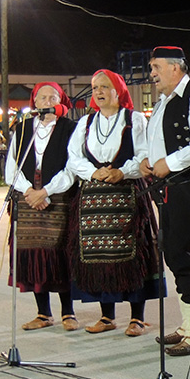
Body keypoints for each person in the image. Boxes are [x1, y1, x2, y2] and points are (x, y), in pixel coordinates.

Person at [140, 46, 190, 356]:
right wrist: (149, 160)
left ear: (177, 68)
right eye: (151, 67)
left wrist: (169, 163)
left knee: (183, 252)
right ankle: (188, 326)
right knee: (172, 251)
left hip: (189, 183)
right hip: (169, 184)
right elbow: (157, 140)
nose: (152, 73)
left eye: (156, 66)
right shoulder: (164, 101)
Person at [67, 69, 159, 337]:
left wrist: (122, 172)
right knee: (99, 257)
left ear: (118, 91)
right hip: (94, 199)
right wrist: (91, 172)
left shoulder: (135, 120)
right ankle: (106, 316)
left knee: (134, 254)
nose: (98, 91)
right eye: (95, 87)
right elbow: (73, 156)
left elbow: (144, 153)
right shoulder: (85, 122)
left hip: (127, 195)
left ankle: (137, 317)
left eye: (105, 86)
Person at [4, 82, 79, 331]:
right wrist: (29, 192)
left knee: (59, 254)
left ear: (61, 101)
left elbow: (72, 167)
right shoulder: (24, 128)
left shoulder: (71, 128)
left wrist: (46, 191)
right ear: (34, 102)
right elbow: (12, 167)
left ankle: (68, 312)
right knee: (33, 254)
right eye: (42, 97)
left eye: (52, 97)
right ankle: (43, 313)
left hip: (57, 195)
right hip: (28, 198)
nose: (47, 101)